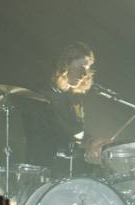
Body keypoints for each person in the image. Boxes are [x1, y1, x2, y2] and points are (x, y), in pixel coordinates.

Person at [23, 41, 114, 171]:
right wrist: (83, 151)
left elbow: (76, 132)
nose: (84, 74)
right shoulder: (41, 96)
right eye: (80, 67)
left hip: (70, 168)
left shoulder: (75, 98)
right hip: (45, 170)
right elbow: (41, 141)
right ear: (65, 65)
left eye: (87, 69)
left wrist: (92, 142)